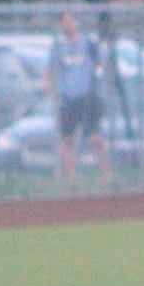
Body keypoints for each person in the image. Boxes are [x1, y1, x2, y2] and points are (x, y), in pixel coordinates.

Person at [45, 11, 113, 186]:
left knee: (96, 139)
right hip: (68, 100)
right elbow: (48, 73)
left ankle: (108, 177)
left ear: (77, 22)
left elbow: (103, 63)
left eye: (71, 21)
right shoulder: (58, 48)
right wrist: (53, 95)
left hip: (88, 98)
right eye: (64, 22)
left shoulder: (89, 44)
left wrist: (99, 75)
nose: (67, 25)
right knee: (67, 141)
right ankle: (71, 181)